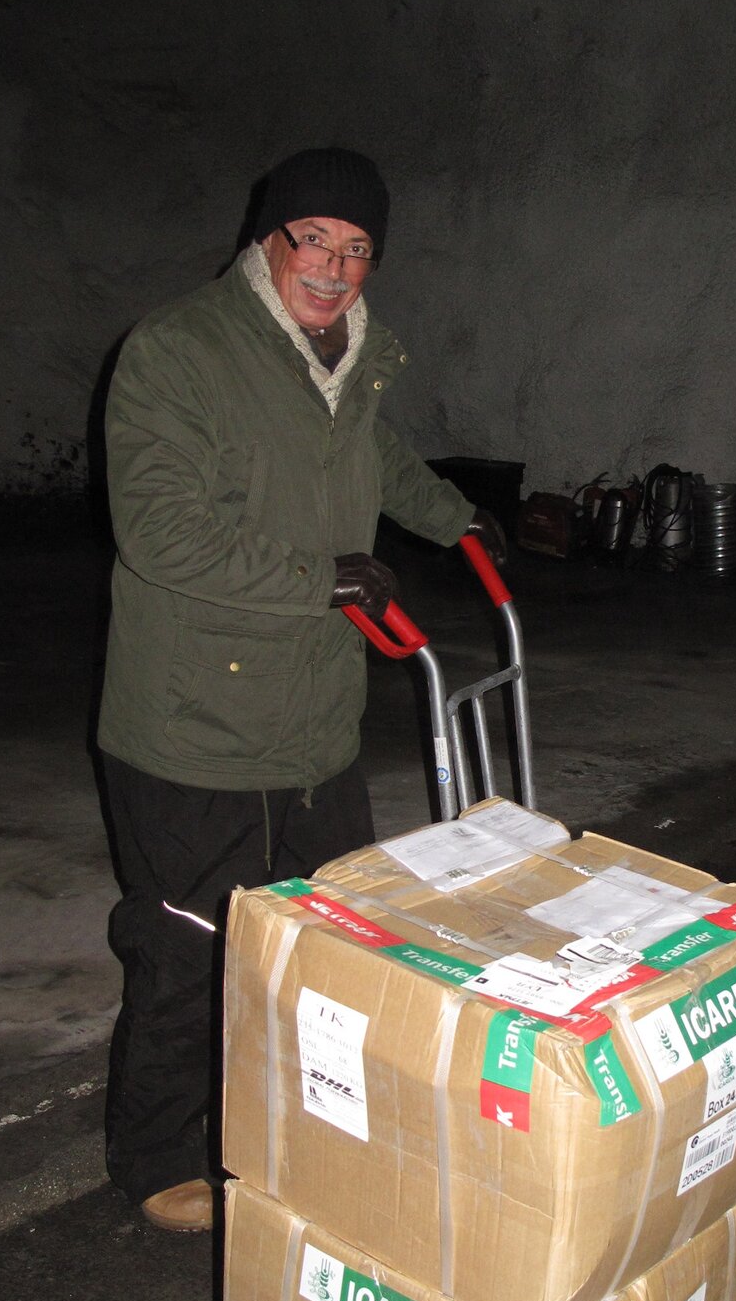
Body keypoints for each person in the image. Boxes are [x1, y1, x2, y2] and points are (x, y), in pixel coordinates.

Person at [96, 146, 504, 1231]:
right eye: (312, 240)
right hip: (195, 719)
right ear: (265, 241)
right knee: (188, 942)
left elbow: (382, 459)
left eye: (356, 248)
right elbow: (162, 533)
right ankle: (154, 1157)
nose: (331, 266)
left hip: (316, 715)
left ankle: (301, 1128)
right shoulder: (179, 351)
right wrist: (318, 579)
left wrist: (455, 517)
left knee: (330, 942)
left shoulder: (353, 356)